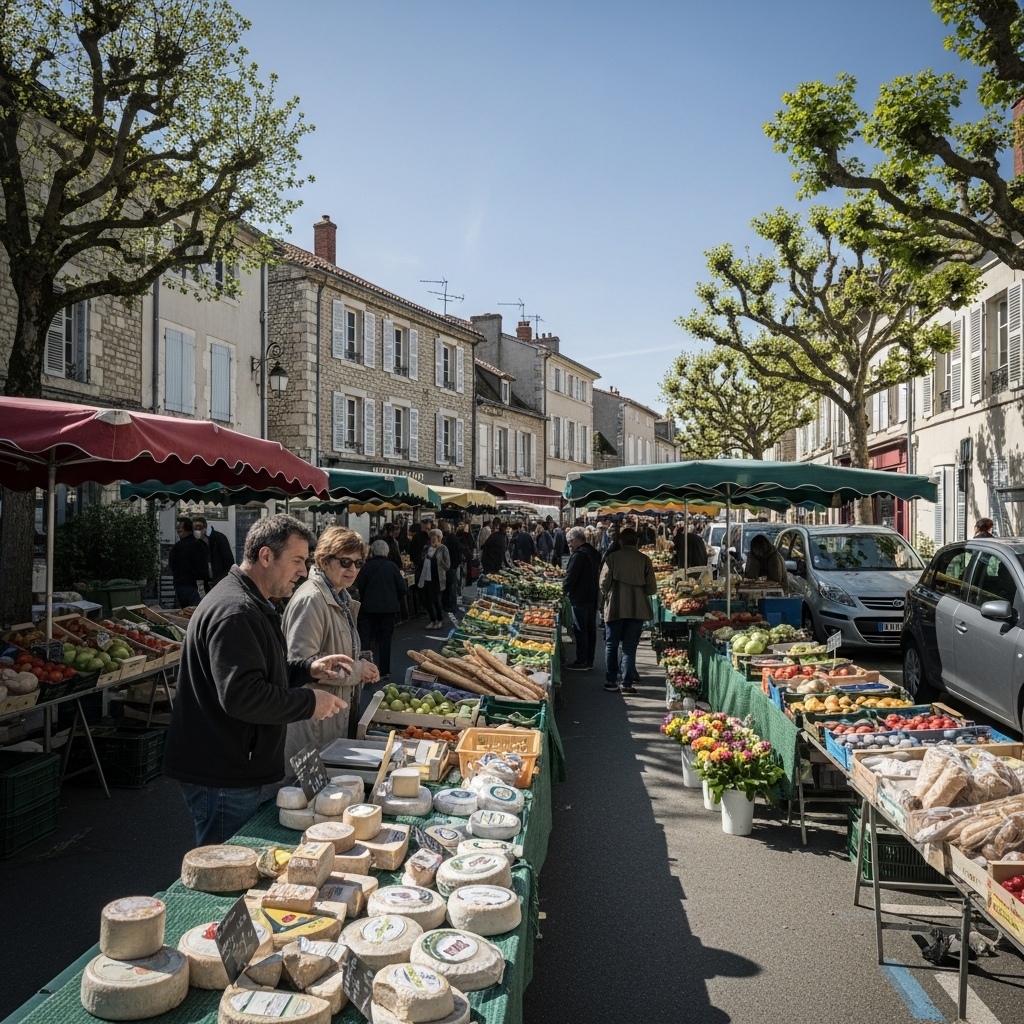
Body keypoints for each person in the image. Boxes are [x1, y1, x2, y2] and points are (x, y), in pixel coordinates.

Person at [162, 514, 354, 845]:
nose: (303, 571)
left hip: (230, 767)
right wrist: (310, 701)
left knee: (235, 862)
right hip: (223, 772)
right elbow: (243, 695)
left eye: (305, 561)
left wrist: (308, 669)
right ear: (266, 556)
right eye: (297, 560)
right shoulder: (236, 611)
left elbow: (262, 670)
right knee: (225, 869)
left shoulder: (250, 602)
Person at [282, 526, 379, 764]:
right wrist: (357, 670)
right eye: (346, 562)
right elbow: (301, 663)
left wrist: (361, 663)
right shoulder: (312, 600)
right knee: (304, 796)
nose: (353, 569)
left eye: (358, 563)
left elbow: (338, 651)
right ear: (325, 561)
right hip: (313, 725)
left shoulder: (340, 597)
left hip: (332, 718)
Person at [600, 528, 657, 695]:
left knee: (611, 643)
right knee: (630, 647)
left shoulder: (612, 558)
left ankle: (611, 681)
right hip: (637, 607)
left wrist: (611, 593)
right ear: (637, 542)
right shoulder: (644, 560)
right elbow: (652, 588)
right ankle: (626, 683)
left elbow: (603, 584)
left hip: (615, 606)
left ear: (621, 541)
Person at [355, 540, 408, 681]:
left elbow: (359, 586)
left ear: (372, 551)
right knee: (384, 640)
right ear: (387, 552)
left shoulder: (366, 567)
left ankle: (368, 670)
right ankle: (384, 671)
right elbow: (403, 588)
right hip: (388, 609)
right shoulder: (392, 567)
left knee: (367, 639)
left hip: (368, 608)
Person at [563, 526, 602, 670]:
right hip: (592, 595)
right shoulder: (593, 552)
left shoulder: (579, 554)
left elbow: (571, 577)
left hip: (580, 596)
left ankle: (581, 660)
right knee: (590, 629)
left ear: (577, 540)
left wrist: (563, 590)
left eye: (570, 543)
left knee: (581, 629)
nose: (570, 546)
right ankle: (589, 659)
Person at [168, 516, 209, 608]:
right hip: (195, 586)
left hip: (180, 585)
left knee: (182, 613)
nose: (178, 529)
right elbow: (202, 567)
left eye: (179, 527)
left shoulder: (176, 547)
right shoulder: (198, 545)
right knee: (196, 613)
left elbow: (172, 565)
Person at [417, 528, 450, 629]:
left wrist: (439, 559)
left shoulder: (443, 549)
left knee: (436, 600)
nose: (432, 539)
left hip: (437, 578)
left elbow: (447, 565)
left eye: (434, 537)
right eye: (431, 537)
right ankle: (433, 619)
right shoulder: (426, 548)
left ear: (440, 538)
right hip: (426, 577)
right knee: (426, 600)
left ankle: (439, 620)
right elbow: (421, 560)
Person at [192, 515, 236, 588]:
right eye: (194, 528)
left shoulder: (219, 538)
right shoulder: (195, 542)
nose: (197, 531)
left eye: (199, 527)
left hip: (219, 581)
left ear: (205, 528)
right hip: (204, 583)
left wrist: (222, 579)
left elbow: (229, 562)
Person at [441, 521, 463, 613]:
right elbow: (458, 552)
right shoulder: (453, 538)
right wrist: (456, 563)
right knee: (452, 586)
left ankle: (445, 606)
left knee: (445, 587)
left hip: (444, 567)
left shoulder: (443, 539)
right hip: (452, 566)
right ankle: (453, 606)